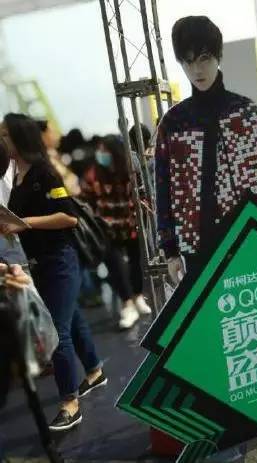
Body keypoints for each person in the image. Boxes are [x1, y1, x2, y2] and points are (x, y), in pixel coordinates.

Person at [153, 16, 257, 462]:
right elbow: (163, 185)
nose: (198, 69)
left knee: (253, 325)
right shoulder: (173, 123)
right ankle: (222, 421)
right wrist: (169, 246)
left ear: (218, 56)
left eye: (205, 58)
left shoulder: (246, 112)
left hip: (250, 238)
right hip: (198, 243)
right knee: (213, 329)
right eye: (189, 61)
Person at [0, 113, 106, 432]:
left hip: (59, 260)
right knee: (71, 319)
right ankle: (94, 371)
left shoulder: (45, 173)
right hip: (37, 263)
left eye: (5, 134)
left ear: (19, 137)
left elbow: (68, 217)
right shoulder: (15, 174)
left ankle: (69, 403)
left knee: (58, 331)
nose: (1, 140)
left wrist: (24, 223)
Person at [81, 134, 152, 329]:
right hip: (107, 230)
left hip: (131, 225)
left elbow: (143, 193)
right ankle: (127, 303)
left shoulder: (130, 171)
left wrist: (142, 211)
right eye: (100, 150)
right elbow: (86, 201)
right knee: (116, 266)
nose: (100, 154)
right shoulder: (93, 175)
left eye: (104, 150)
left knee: (136, 263)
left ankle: (138, 297)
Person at [37, 119, 81, 196]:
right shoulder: (42, 162)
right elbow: (49, 194)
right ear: (42, 135)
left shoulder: (56, 155)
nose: (57, 135)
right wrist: (67, 192)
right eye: (52, 132)